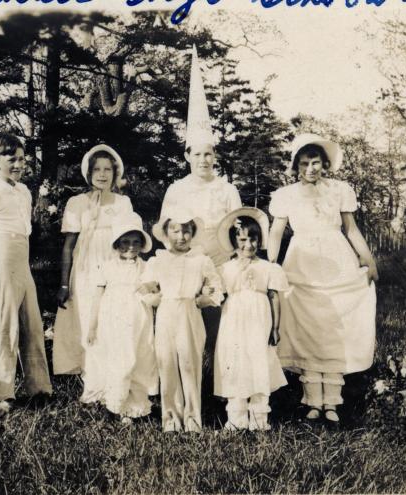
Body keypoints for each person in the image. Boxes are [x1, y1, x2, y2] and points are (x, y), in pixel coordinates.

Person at [266, 133, 379, 425]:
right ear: (296, 166)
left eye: (316, 162)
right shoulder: (286, 195)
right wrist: (271, 264)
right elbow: (277, 232)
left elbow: (351, 229)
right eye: (304, 163)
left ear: (325, 163)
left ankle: (333, 402)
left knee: (333, 325)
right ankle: (312, 401)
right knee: (308, 326)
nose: (311, 168)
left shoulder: (339, 190)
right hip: (302, 261)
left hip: (336, 259)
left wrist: (368, 260)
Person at [160, 46, 242, 403]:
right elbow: (166, 232)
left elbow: (239, 230)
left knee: (224, 330)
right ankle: (188, 391)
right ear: (187, 157)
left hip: (221, 264)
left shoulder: (227, 188)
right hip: (186, 266)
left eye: (210, 153)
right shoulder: (176, 189)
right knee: (187, 332)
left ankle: (226, 392)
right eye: (198, 153)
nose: (205, 159)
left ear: (215, 156)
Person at [0, 132, 53, 414]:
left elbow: (24, 230)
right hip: (0, 260)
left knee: (32, 324)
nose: (18, 164)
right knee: (4, 327)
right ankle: (1, 393)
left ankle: (39, 388)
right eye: (11, 159)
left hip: (21, 260)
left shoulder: (24, 191)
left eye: (21, 159)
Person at [52, 145, 133, 401]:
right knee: (88, 321)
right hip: (86, 269)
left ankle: (114, 382)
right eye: (97, 169)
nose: (102, 174)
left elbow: (128, 241)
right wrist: (64, 284)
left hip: (113, 267)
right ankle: (92, 383)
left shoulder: (123, 203)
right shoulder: (77, 203)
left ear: (115, 173)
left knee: (112, 321)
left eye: (107, 169)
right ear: (88, 173)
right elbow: (69, 246)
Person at [142, 208, 224, 432]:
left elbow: (217, 288)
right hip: (167, 311)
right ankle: (171, 417)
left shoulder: (200, 260)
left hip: (190, 312)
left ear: (193, 233)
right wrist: (154, 298)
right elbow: (144, 288)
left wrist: (203, 299)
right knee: (166, 362)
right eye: (175, 231)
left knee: (190, 363)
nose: (181, 236)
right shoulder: (158, 261)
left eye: (186, 231)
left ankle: (192, 418)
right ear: (166, 233)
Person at [213, 208, 289, 431]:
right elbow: (219, 295)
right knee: (236, 362)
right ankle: (236, 419)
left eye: (253, 239)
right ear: (233, 241)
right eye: (243, 239)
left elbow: (274, 297)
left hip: (259, 321)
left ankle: (259, 419)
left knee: (259, 361)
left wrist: (275, 327)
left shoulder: (268, 268)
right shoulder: (224, 269)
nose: (248, 245)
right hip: (234, 322)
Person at [86, 212, 159, 422]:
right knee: (119, 359)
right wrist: (92, 327)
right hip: (114, 319)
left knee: (140, 358)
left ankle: (135, 407)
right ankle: (115, 405)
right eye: (125, 242)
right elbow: (97, 298)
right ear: (117, 244)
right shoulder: (107, 267)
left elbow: (153, 291)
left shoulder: (146, 267)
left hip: (138, 319)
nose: (131, 247)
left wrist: (150, 288)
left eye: (136, 242)